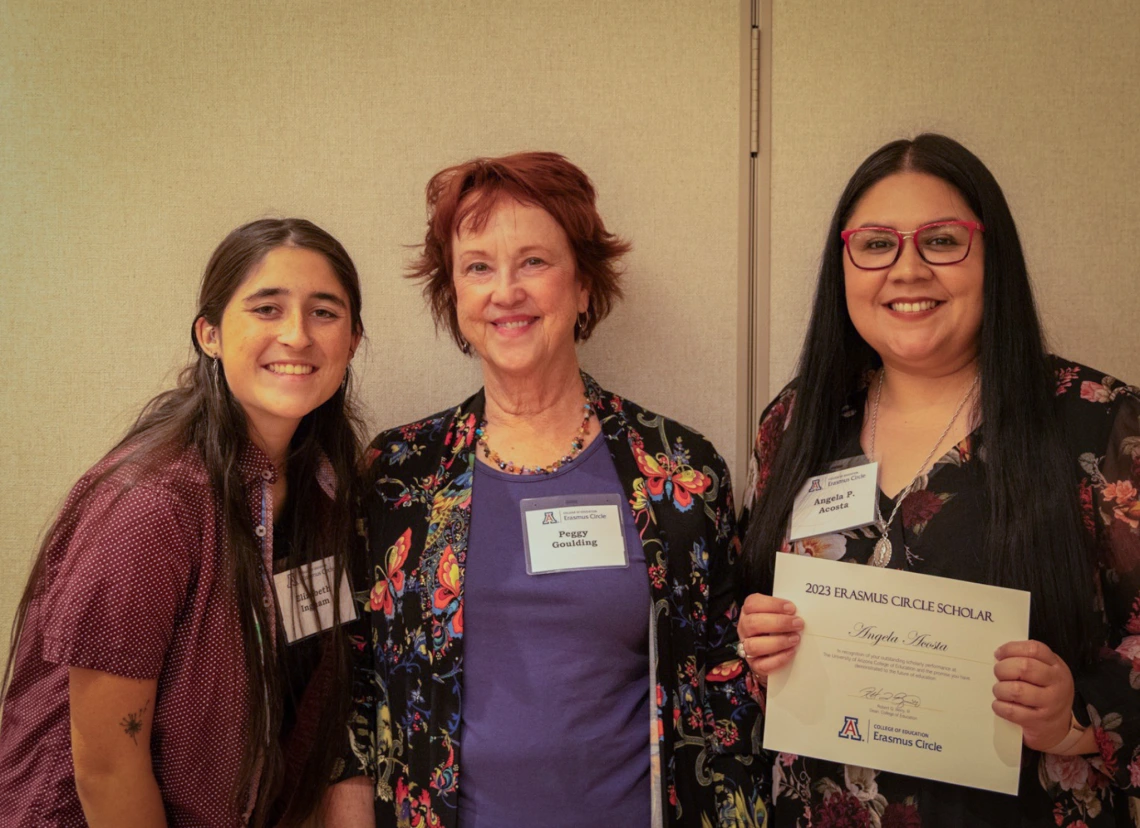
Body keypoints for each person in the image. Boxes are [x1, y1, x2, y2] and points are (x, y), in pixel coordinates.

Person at [327, 152, 763, 827]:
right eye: (477, 267)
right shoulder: (399, 475)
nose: (506, 291)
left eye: (534, 261)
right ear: (454, 294)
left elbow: (723, 682)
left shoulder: (678, 471)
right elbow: (354, 682)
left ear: (584, 285)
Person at [736, 133, 1140, 826]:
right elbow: (747, 607)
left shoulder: (1100, 426)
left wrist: (1075, 721)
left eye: (943, 241)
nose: (906, 269)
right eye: (875, 243)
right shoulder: (799, 420)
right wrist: (759, 646)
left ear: (993, 259)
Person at [0, 218, 365, 827]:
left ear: (353, 339)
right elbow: (107, 766)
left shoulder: (320, 487)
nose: (297, 335)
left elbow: (310, 685)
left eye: (324, 312)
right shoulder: (153, 504)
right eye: (267, 309)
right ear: (211, 334)